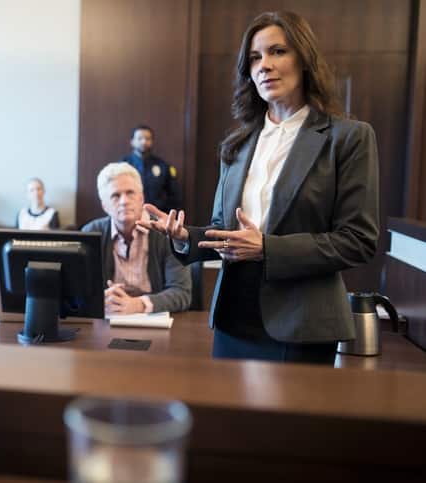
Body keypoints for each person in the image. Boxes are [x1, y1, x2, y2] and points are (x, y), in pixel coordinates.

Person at [141, 11, 379, 365]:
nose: (264, 65)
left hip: (302, 325)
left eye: (277, 52)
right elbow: (224, 231)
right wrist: (183, 237)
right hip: (233, 320)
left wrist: (268, 248)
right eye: (255, 57)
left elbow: (358, 240)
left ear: (304, 59)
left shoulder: (348, 138)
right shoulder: (237, 145)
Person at [82, 163, 191, 315]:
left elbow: (182, 293)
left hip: (155, 321)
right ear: (105, 206)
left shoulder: (166, 233)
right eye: (115, 195)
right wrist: (100, 300)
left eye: (130, 193)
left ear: (141, 198)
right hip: (109, 319)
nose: (124, 201)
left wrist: (139, 304)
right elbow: (79, 292)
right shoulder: (91, 233)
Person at [120, 125, 183, 214]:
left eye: (147, 138)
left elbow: (174, 196)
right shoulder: (122, 166)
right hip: (129, 215)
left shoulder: (162, 165)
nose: (144, 142)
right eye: (140, 138)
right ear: (132, 142)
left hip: (156, 217)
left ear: (152, 141)